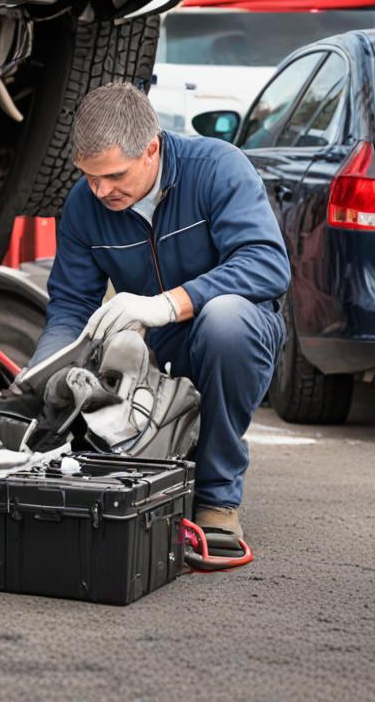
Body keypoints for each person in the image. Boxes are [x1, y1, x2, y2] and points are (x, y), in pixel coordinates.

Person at [32, 82, 290, 548]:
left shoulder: (217, 168)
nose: (100, 189)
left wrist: (167, 304)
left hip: (235, 333)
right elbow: (70, 305)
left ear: (151, 148)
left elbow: (266, 263)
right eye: (89, 176)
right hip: (157, 343)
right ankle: (146, 472)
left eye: (113, 175)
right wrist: (47, 370)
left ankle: (216, 498)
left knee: (225, 320)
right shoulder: (83, 204)